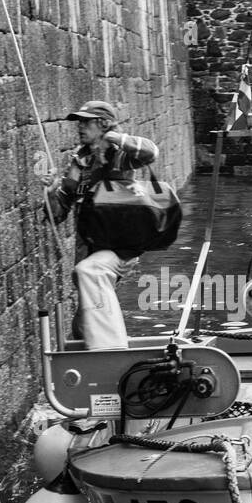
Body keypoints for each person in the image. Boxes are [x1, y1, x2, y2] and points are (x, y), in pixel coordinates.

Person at [42, 101, 160, 349]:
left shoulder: (119, 155)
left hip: (116, 247)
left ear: (103, 124)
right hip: (88, 247)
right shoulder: (79, 161)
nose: (80, 127)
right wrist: (52, 192)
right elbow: (59, 212)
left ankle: (110, 354)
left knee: (90, 299)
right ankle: (99, 360)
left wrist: (114, 137)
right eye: (79, 122)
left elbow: (151, 152)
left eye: (86, 121)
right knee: (86, 315)